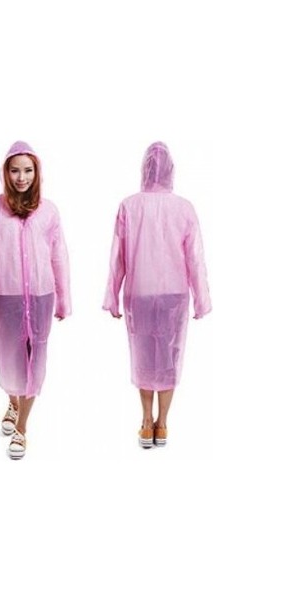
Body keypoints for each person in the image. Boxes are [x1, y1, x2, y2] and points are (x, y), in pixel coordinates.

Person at [103, 142, 211, 448]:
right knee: (168, 359)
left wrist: (112, 295)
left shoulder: (129, 206)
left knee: (143, 358)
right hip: (174, 295)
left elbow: (118, 257)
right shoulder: (184, 208)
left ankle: (146, 421)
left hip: (139, 292)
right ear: (171, 170)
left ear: (144, 169)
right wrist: (201, 300)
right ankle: (162, 424)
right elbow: (195, 259)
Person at [0, 141, 71, 459]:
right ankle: (13, 403)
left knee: (34, 360)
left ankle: (22, 428)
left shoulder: (49, 211)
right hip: (4, 296)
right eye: (15, 170)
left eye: (27, 170)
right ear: (6, 173)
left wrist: (64, 298)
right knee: (9, 360)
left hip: (41, 296)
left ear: (36, 173)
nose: (21, 177)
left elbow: (59, 256)